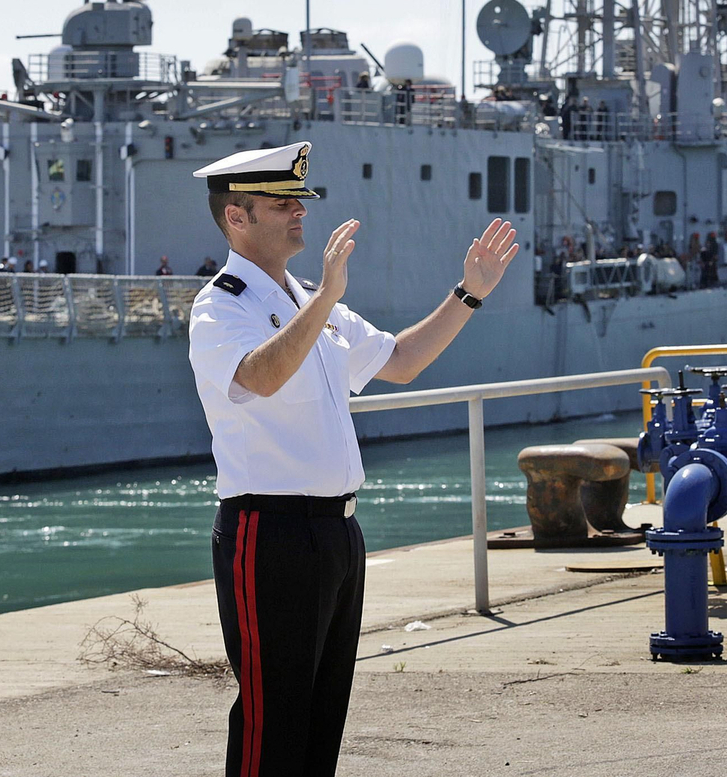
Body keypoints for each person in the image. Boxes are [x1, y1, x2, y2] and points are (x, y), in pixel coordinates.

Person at [188, 141, 518, 777]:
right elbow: (260, 377)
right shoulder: (222, 305)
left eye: (300, 201)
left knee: (321, 717)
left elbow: (401, 361)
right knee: (272, 718)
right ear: (237, 216)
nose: (300, 212)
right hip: (269, 532)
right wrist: (323, 301)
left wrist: (469, 293)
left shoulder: (313, 299)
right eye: (282, 203)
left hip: (337, 531)